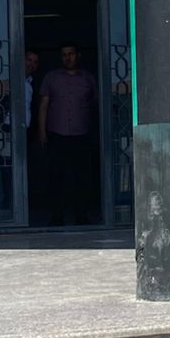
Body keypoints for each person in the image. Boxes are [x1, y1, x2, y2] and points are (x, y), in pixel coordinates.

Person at [37, 42, 98, 226]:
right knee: (56, 176)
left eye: (71, 53)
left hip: (82, 134)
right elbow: (43, 106)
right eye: (64, 54)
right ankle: (56, 215)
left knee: (83, 177)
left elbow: (96, 106)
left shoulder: (88, 79)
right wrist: (42, 133)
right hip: (57, 134)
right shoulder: (51, 78)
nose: (67, 57)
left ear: (77, 55)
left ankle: (82, 215)